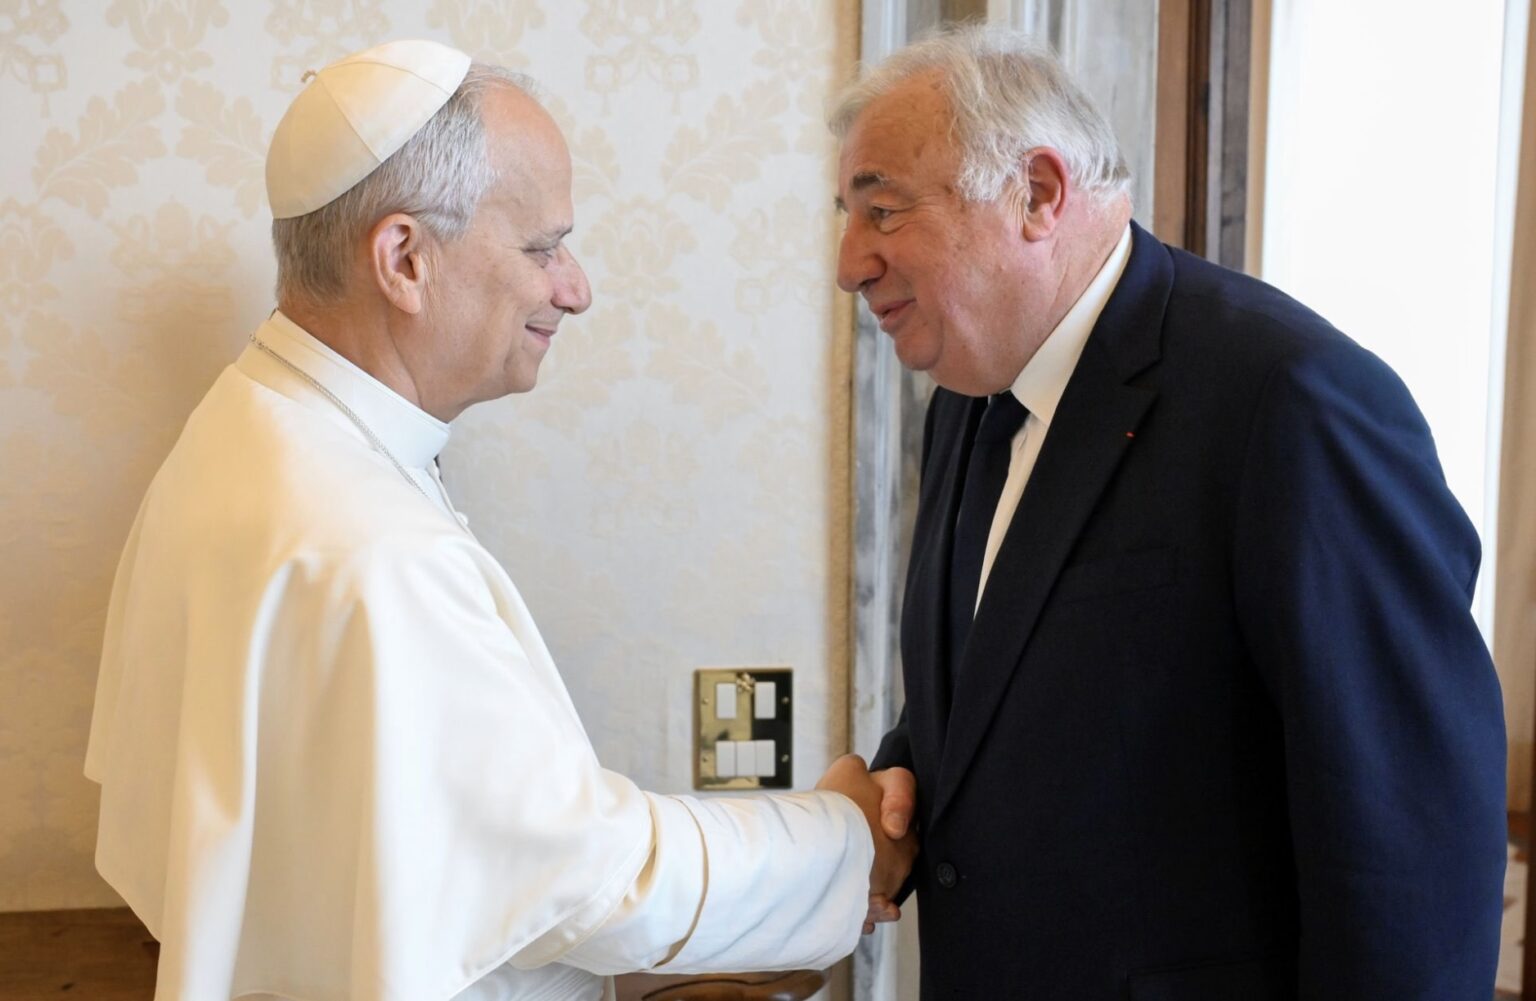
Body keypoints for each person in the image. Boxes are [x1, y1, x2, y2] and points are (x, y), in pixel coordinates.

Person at [85, 39, 913, 1001]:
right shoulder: (374, 552)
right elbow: (593, 877)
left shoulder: (240, 426)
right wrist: (845, 840)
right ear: (404, 258)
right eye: (542, 246)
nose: (576, 287)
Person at [833, 24, 1507, 999]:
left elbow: (1409, 838)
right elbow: (1021, 680)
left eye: (881, 211)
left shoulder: (1293, 400)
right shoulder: (967, 404)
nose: (849, 263)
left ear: (1038, 192)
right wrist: (904, 775)